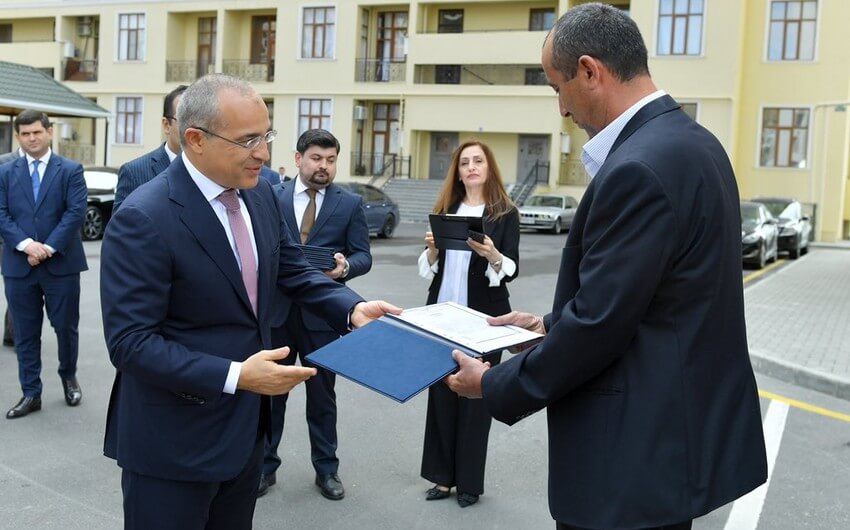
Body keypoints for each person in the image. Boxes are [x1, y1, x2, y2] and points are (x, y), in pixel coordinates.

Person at [446, 4, 768, 530]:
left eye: (556, 88)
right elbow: (659, 296)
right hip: (668, 449)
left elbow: (600, 324)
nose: (561, 111)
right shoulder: (695, 143)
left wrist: (495, 384)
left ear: (590, 71)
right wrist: (548, 325)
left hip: (629, 463)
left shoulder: (639, 167)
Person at [99, 74, 399, 529]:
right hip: (173, 445)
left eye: (267, 135)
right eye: (248, 140)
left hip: (243, 438)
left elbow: (292, 268)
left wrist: (350, 308)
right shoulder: (144, 216)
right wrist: (237, 375)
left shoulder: (258, 194)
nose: (264, 152)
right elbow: (131, 343)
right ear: (194, 139)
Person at [258, 128, 372, 500]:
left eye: (330, 159)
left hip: (323, 317)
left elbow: (363, 256)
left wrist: (344, 269)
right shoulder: (268, 196)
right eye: (316, 158)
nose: (324, 166)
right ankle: (264, 466)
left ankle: (327, 470)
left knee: (322, 397)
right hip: (276, 313)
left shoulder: (349, 204)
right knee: (271, 395)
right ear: (298, 159)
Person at [418, 139, 519, 508]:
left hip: (483, 322)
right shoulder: (446, 209)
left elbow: (511, 270)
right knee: (442, 394)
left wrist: (494, 254)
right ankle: (442, 479)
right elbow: (430, 267)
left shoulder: (505, 213)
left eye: (478, 161)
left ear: (489, 168)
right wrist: (431, 250)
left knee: (477, 401)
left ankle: (469, 484)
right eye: (464, 163)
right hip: (442, 318)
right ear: (458, 171)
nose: (471, 167)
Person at [0, 110, 88, 419]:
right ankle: (30, 393)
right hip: (19, 266)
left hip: (60, 265)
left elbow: (75, 212)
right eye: (25, 134)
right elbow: (2, 214)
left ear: (49, 132)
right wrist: (26, 245)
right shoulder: (5, 172)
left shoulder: (71, 170)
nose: (31, 138)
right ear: (18, 137)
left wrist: (47, 247)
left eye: (37, 132)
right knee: (24, 333)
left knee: (65, 328)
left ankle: (68, 377)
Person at [114, 85, 188, 211]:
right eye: (185, 120)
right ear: (166, 125)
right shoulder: (134, 173)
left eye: (199, 121)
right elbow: (123, 227)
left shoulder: (213, 171)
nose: (193, 129)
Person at [0, 147, 23, 348]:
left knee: (16, 290)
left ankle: (12, 334)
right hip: (7, 237)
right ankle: (16, 335)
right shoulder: (5, 162)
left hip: (25, 240)